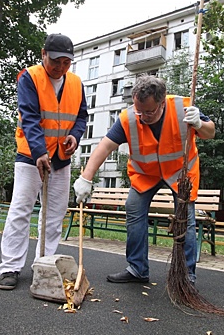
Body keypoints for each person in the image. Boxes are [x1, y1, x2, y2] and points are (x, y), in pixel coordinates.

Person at [73, 75, 215, 284]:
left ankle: (186, 276)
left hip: (179, 174)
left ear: (162, 101)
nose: (142, 117)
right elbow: (105, 146)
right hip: (145, 175)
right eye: (139, 110)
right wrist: (86, 178)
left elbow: (210, 132)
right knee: (134, 209)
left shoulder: (182, 108)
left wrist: (199, 123)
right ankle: (137, 269)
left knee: (187, 220)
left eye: (149, 112)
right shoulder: (129, 118)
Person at [0, 34, 88, 290]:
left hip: (61, 157)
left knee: (54, 214)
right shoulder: (30, 77)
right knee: (21, 210)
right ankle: (10, 268)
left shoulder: (76, 83)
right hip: (30, 156)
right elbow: (29, 116)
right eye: (56, 61)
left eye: (67, 63)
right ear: (43, 54)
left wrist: (75, 136)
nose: (61, 68)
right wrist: (38, 152)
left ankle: (44, 265)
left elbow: (82, 117)